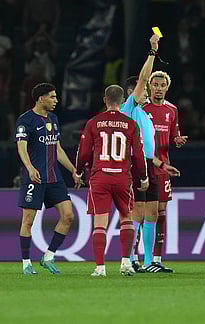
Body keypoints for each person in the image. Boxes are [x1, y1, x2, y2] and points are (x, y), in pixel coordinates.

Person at [75, 85, 180, 277]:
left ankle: (100, 268)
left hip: (100, 176)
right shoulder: (131, 123)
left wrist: (79, 171)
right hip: (123, 177)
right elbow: (139, 156)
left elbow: (84, 152)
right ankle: (126, 263)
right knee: (127, 219)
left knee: (100, 222)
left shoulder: (93, 122)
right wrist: (143, 177)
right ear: (123, 100)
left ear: (104, 100)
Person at [15, 83, 78, 275]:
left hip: (54, 178)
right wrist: (30, 168)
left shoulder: (54, 119)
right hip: (34, 178)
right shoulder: (25, 120)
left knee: (68, 216)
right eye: (52, 97)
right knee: (28, 221)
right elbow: (21, 147)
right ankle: (26, 263)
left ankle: (49, 256)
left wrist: (73, 170)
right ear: (41, 98)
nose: (56, 101)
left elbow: (57, 149)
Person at [120, 34, 160, 272]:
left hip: (149, 164)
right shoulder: (130, 108)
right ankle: (130, 258)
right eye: (143, 89)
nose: (147, 91)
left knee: (152, 212)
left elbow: (148, 145)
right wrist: (152, 52)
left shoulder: (146, 114)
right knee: (136, 212)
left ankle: (148, 262)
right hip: (135, 164)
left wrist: (160, 164)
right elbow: (144, 78)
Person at [143, 70, 188, 273]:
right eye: (155, 84)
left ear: (167, 88)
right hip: (143, 166)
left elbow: (173, 137)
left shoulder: (172, 110)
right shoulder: (142, 108)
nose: (159, 88)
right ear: (149, 86)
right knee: (142, 212)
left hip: (163, 167)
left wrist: (177, 141)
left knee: (161, 212)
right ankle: (138, 258)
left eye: (162, 85)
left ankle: (157, 259)